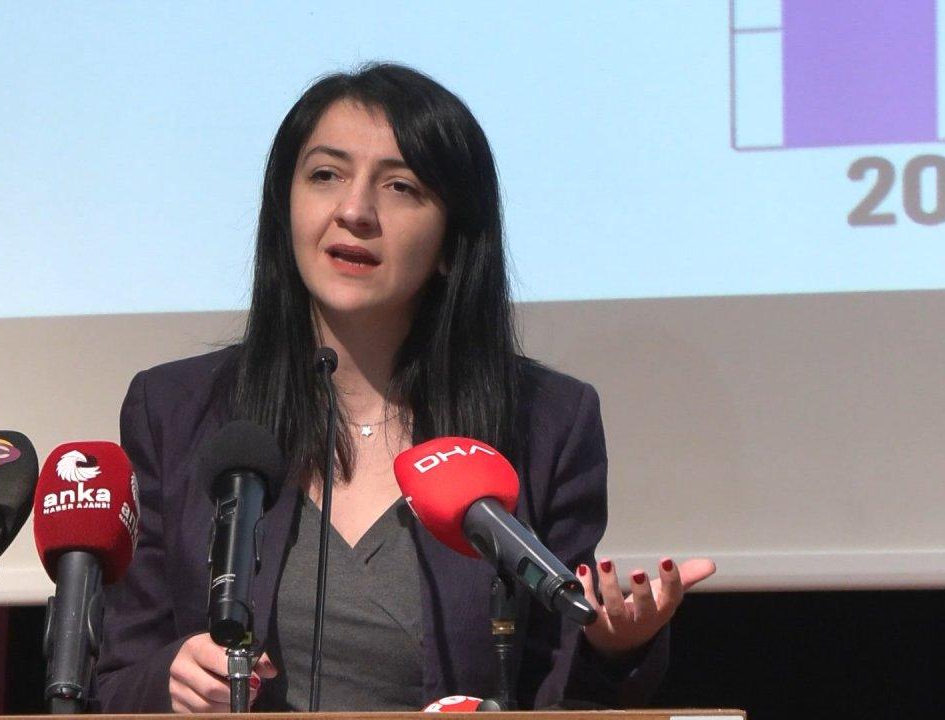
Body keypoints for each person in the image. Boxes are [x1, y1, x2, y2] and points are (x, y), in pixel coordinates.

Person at [95, 63, 716, 713]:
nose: (354, 211)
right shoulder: (177, 410)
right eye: (326, 175)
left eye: (400, 186)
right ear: (284, 209)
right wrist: (170, 680)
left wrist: (612, 649)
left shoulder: (546, 421)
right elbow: (115, 681)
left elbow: (548, 695)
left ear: (451, 240)